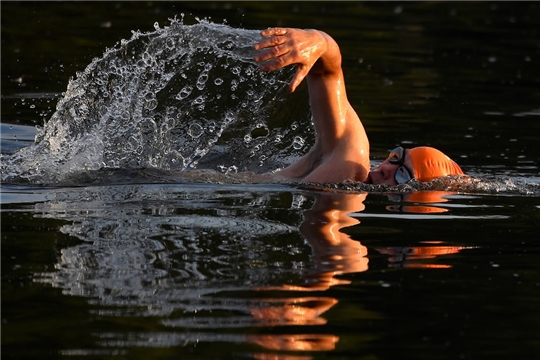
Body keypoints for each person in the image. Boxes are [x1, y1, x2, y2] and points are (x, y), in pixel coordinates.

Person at [253, 27, 464, 185]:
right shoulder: (352, 161)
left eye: (402, 175)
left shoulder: (349, 183)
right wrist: (319, 40)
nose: (386, 169)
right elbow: (327, 71)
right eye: (396, 158)